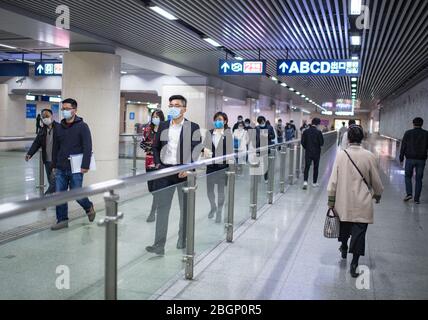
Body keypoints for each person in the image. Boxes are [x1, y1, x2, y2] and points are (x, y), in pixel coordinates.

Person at [146, 95, 202, 255]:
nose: (173, 107)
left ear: (184, 109)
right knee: (162, 208)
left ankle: (182, 238)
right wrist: (158, 163)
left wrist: (188, 167)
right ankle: (159, 245)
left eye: (177, 105)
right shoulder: (163, 125)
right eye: (171, 105)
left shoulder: (193, 127)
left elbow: (196, 149)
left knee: (185, 208)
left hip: (183, 173)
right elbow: (155, 147)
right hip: (165, 171)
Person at [327, 125, 384, 278]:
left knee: (344, 227)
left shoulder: (340, 155)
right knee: (359, 233)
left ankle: (344, 246)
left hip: (343, 201)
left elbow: (333, 181)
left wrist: (331, 200)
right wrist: (377, 194)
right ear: (362, 138)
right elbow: (376, 181)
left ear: (349, 138)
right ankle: (354, 264)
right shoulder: (370, 156)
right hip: (362, 202)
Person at [51, 98, 95, 231]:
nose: (64, 111)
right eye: (63, 109)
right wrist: (54, 164)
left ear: (74, 110)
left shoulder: (82, 126)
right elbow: (55, 147)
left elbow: (88, 146)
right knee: (60, 195)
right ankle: (62, 220)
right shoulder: (58, 127)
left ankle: (88, 206)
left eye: (67, 109)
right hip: (61, 167)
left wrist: (85, 165)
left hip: (76, 167)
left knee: (77, 193)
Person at [204, 112, 233, 223]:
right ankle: (213, 207)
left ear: (225, 121)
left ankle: (219, 212)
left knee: (221, 191)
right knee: (209, 191)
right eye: (216, 119)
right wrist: (204, 151)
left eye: (220, 119)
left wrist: (230, 168)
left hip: (222, 167)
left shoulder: (228, 134)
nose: (217, 121)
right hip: (211, 166)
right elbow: (204, 147)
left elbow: (230, 153)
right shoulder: (209, 133)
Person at [26, 109, 59, 195]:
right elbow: (36, 143)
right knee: (51, 181)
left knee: (54, 182)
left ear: (52, 116)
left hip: (57, 160)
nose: (45, 119)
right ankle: (55, 199)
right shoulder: (42, 130)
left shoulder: (59, 128)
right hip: (47, 160)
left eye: (47, 116)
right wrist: (30, 153)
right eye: (43, 117)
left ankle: (45, 197)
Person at [140, 109, 165, 222]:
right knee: (151, 188)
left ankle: (152, 212)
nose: (155, 118)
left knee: (156, 188)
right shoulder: (147, 129)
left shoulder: (165, 130)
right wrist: (151, 147)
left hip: (160, 162)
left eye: (158, 117)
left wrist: (155, 147)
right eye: (154, 116)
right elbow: (142, 144)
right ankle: (158, 204)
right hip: (149, 162)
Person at [400, 117, 428, 204]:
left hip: (410, 159)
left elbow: (403, 145)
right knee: (419, 179)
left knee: (408, 176)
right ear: (422, 124)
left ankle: (409, 194)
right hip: (421, 160)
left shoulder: (408, 133)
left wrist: (401, 157)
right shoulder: (426, 134)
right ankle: (416, 199)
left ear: (413, 123)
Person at [301, 118, 324, 189]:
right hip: (316, 152)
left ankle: (305, 181)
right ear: (318, 124)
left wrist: (306, 148)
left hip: (308, 151)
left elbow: (302, 142)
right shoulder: (318, 132)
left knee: (307, 167)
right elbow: (322, 143)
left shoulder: (306, 131)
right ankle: (314, 182)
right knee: (316, 167)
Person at [255, 116, 275, 182]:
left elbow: (273, 136)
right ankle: (262, 175)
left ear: (264, 120)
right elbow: (255, 139)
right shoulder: (257, 128)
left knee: (267, 163)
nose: (262, 123)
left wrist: (268, 136)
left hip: (268, 146)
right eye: (260, 122)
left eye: (262, 121)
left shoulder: (270, 127)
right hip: (260, 147)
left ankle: (266, 177)